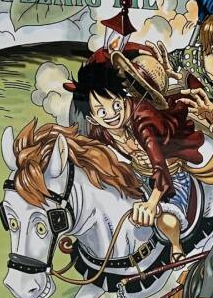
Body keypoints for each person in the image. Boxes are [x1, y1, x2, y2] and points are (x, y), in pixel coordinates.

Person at [66, 57, 204, 259]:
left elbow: (159, 165)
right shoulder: (100, 130)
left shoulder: (144, 120)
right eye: (102, 111)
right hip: (137, 174)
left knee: (167, 221)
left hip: (171, 176)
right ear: (92, 118)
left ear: (123, 99)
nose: (112, 114)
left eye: (116, 105)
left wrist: (152, 204)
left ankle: (177, 249)